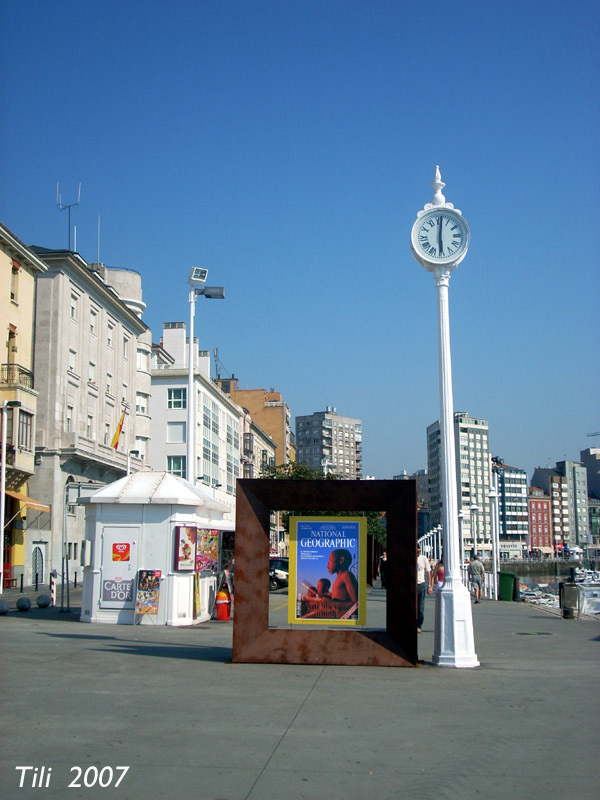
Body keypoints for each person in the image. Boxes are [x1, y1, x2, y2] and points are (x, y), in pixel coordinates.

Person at [416, 546, 432, 632]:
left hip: (421, 584)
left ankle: (419, 625)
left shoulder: (424, 558)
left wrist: (429, 586)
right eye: (417, 551)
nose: (418, 553)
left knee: (420, 607)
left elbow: (428, 572)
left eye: (419, 551)